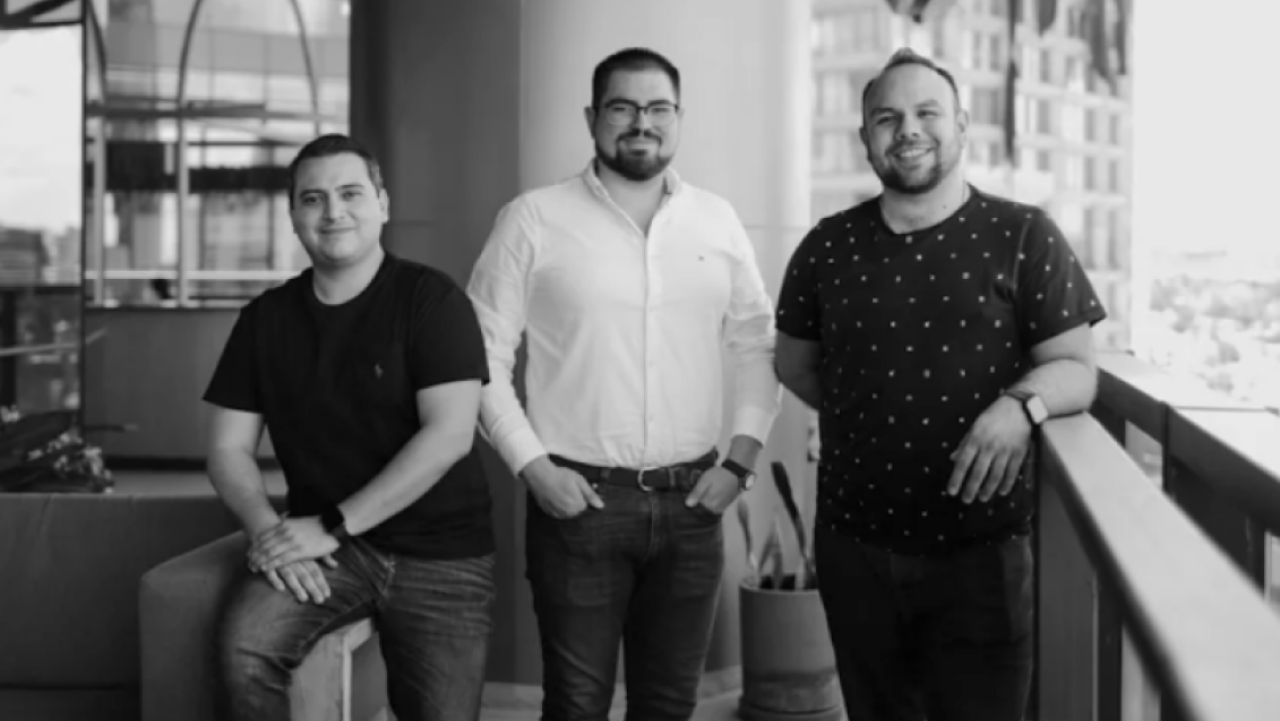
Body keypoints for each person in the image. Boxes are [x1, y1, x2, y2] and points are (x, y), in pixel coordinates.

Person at [774, 49, 1106, 721]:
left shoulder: (1024, 234)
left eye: (927, 113)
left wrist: (1020, 406)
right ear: (865, 136)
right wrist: (870, 415)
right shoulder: (825, 246)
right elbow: (794, 365)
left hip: (982, 556)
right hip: (854, 549)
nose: (908, 130)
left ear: (961, 126)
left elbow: (1078, 368)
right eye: (887, 117)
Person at [466, 47, 781, 721]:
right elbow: (479, 356)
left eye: (659, 108)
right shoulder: (532, 218)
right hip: (578, 507)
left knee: (668, 706)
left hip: (693, 504)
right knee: (576, 705)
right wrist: (533, 468)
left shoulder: (717, 219)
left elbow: (758, 343)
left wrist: (741, 460)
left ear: (679, 118)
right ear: (592, 118)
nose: (642, 122)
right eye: (623, 107)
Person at [203, 133, 496, 721]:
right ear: (293, 216)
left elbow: (450, 435)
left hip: (440, 551)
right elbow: (227, 449)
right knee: (245, 648)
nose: (332, 211)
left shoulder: (433, 301)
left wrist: (331, 525)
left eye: (350, 193)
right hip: (331, 552)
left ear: (382, 204)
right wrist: (269, 534)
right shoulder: (265, 320)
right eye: (312, 199)